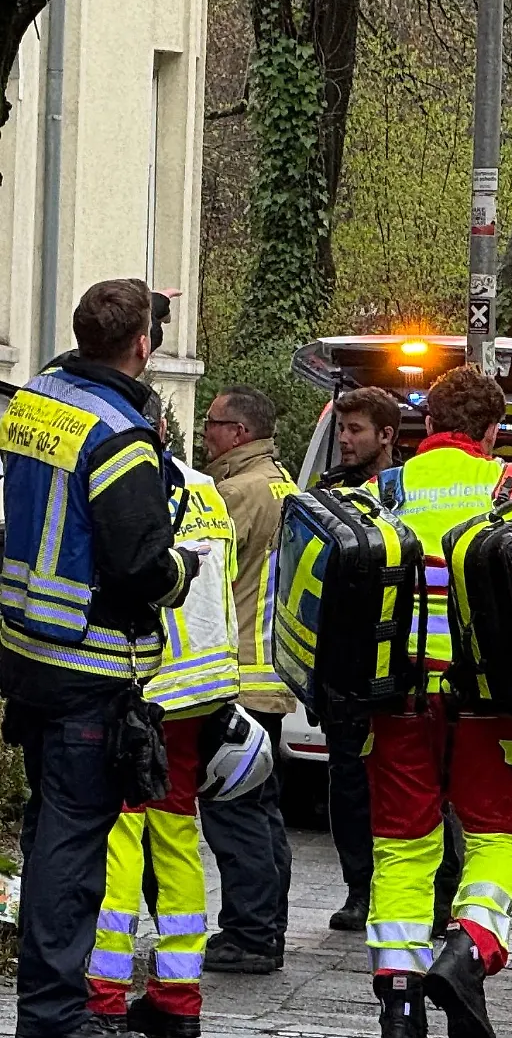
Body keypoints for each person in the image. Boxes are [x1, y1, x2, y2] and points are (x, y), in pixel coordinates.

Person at [0, 278, 198, 1038]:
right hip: (87, 662)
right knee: (72, 848)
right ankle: (53, 1017)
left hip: (27, 652)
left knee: (49, 829)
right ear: (142, 345)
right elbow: (141, 564)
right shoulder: (119, 435)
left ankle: (47, 1006)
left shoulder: (39, 400)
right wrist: (184, 569)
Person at [366, 366, 512, 1038]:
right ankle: (469, 948)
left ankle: (400, 1013)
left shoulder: (386, 492)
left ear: (427, 424)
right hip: (490, 703)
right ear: (492, 431)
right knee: (500, 839)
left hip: (401, 698)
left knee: (402, 848)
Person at [85, 456, 240, 1038]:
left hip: (146, 685)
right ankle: (178, 994)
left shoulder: (130, 482)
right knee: (177, 838)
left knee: (120, 836)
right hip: (201, 687)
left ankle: (103, 993)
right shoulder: (206, 491)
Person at [199, 386, 296, 973]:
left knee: (233, 811)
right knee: (261, 808)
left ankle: (250, 934)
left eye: (212, 422)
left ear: (238, 432)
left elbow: (201, 571)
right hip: (271, 676)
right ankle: (265, 927)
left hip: (237, 675)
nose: (204, 431)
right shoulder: (281, 483)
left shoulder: (237, 493)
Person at [319, 387, 401, 932]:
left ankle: (423, 891)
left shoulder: (404, 493)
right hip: (344, 663)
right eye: (341, 429)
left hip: (399, 660)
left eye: (356, 430)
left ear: (386, 435)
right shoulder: (329, 495)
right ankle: (359, 888)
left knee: (407, 783)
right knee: (347, 781)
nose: (345, 440)